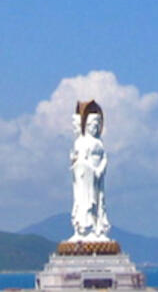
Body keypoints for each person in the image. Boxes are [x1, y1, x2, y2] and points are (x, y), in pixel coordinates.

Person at [69, 102, 110, 241]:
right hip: (86, 178)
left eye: (98, 126)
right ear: (86, 126)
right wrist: (91, 170)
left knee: (99, 202)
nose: (96, 128)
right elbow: (79, 162)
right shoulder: (81, 142)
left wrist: (100, 169)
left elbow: (105, 157)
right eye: (93, 125)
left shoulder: (99, 143)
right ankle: (84, 228)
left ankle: (98, 228)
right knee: (86, 202)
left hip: (98, 178)